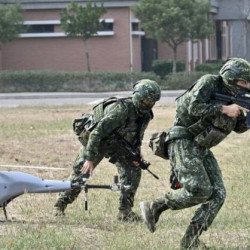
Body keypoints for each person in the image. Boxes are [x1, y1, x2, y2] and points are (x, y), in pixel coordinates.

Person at [140, 58, 250, 249]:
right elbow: (194, 106)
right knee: (200, 190)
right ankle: (156, 205)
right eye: (244, 82)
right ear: (231, 78)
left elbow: (239, 128)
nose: (246, 86)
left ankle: (190, 240)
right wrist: (225, 108)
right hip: (183, 140)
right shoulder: (209, 82)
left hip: (201, 146)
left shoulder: (238, 98)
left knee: (218, 194)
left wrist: (243, 115)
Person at [53, 79, 161, 221]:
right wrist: (90, 159)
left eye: (153, 101)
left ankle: (125, 212)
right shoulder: (121, 110)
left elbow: (137, 135)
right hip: (97, 142)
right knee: (81, 175)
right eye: (147, 101)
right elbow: (97, 133)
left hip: (119, 145)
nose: (150, 104)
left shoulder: (145, 114)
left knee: (133, 171)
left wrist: (137, 153)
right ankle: (59, 206)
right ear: (138, 97)